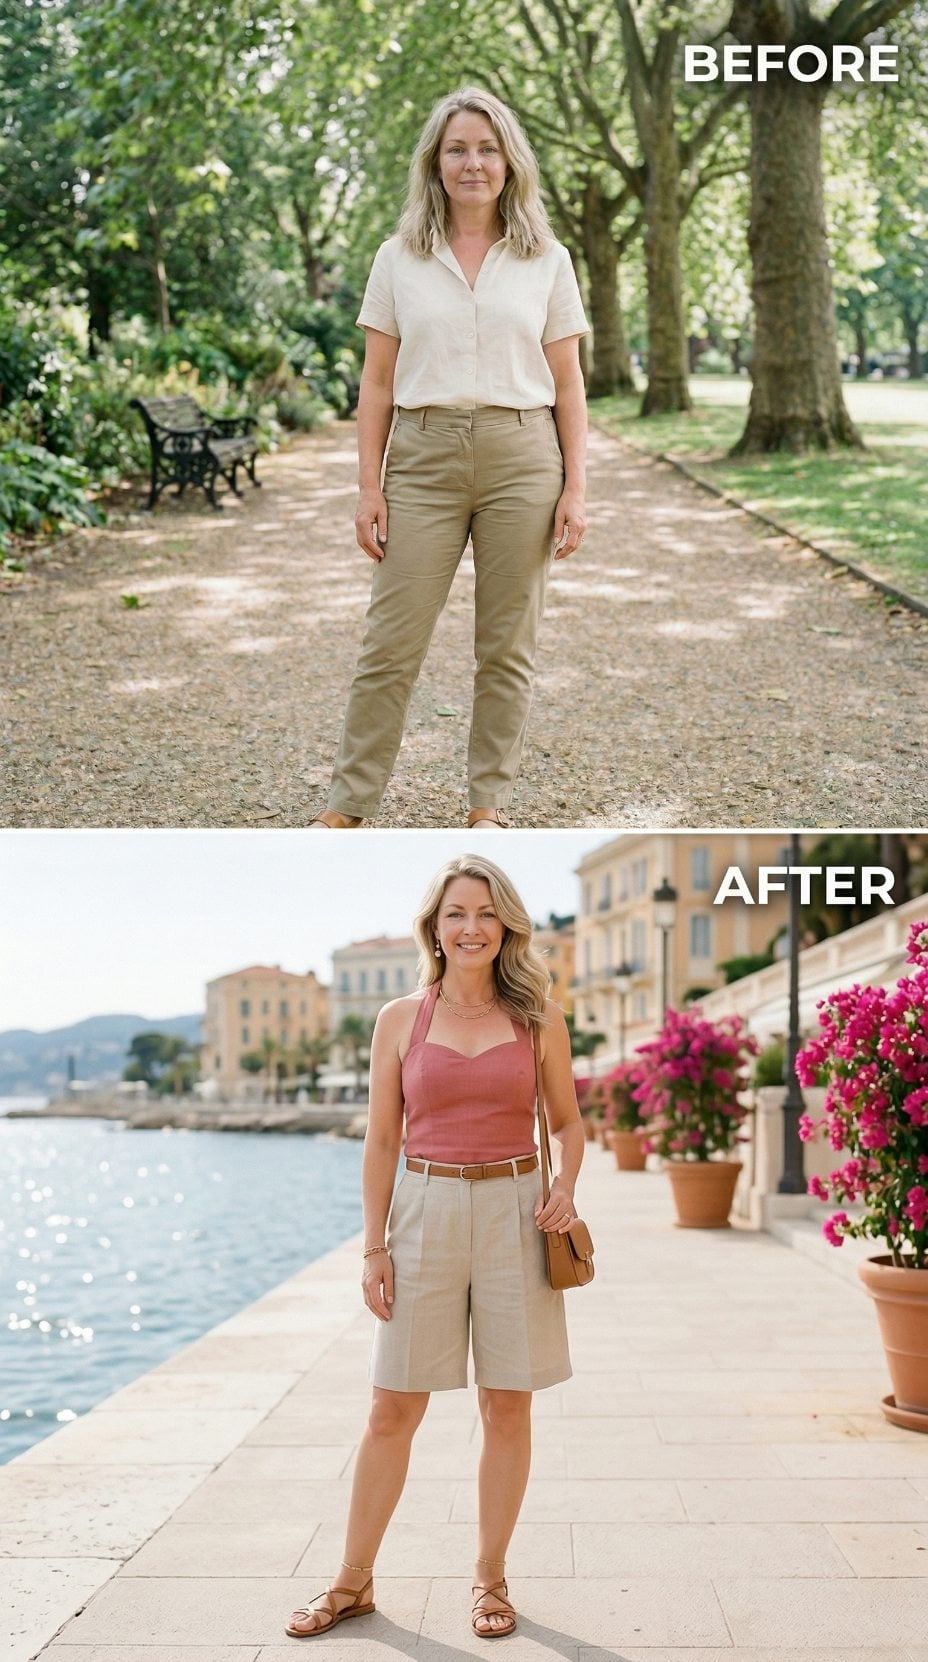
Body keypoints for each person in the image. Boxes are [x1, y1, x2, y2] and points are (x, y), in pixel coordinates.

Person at [285, 853, 585, 1640]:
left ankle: (490, 1581)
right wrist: (373, 1247)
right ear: (436, 926)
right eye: (457, 912)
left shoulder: (538, 1015)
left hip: (520, 1213)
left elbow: (568, 1123)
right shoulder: (399, 1019)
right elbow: (381, 1138)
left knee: (507, 1405)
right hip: (423, 1209)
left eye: (487, 913)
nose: (472, 926)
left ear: (507, 924)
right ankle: (352, 1581)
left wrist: (566, 1187)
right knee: (392, 1408)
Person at [311, 86, 590, 831]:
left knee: (507, 647)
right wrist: (368, 487)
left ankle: (487, 806)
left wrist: (576, 489)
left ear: (509, 162)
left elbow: (568, 381)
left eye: (487, 148)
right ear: (435, 164)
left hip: (524, 456)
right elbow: (375, 383)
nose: (473, 163)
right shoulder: (398, 258)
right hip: (424, 456)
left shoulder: (547, 260)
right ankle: (348, 804)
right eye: (458, 149)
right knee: (390, 642)